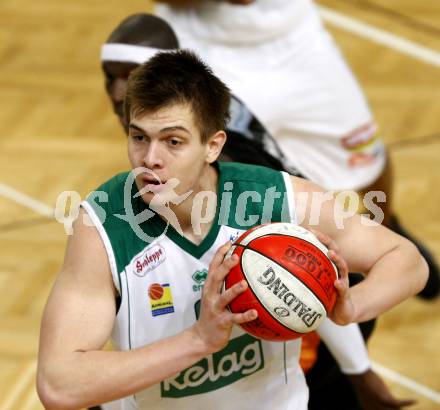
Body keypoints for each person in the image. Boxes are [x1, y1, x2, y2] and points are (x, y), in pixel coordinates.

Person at [37, 49, 428, 410]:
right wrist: (197, 341)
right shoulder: (105, 224)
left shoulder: (272, 198)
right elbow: (59, 384)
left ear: (213, 145)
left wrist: (351, 308)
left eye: (173, 141)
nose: (150, 159)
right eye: (139, 137)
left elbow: (407, 261)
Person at [155, 0, 439, 300]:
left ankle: (385, 233)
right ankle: (242, 271)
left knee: (364, 150)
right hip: (207, 49)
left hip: (293, 38)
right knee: (221, 174)